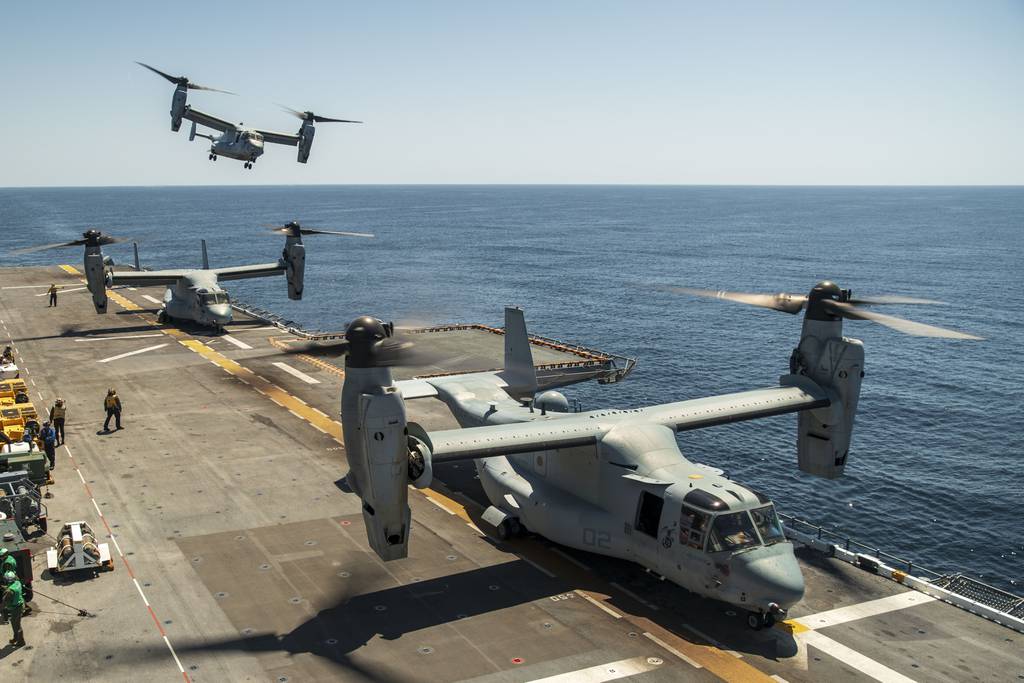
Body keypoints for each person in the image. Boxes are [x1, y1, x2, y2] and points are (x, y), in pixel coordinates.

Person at [2, 571, 25, 647]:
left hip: (16, 608)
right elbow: (12, 587)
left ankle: (21, 641)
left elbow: (4, 602)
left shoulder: (9, 591)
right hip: (20, 605)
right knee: (13, 622)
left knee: (17, 625)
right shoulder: (17, 582)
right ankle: (16, 638)